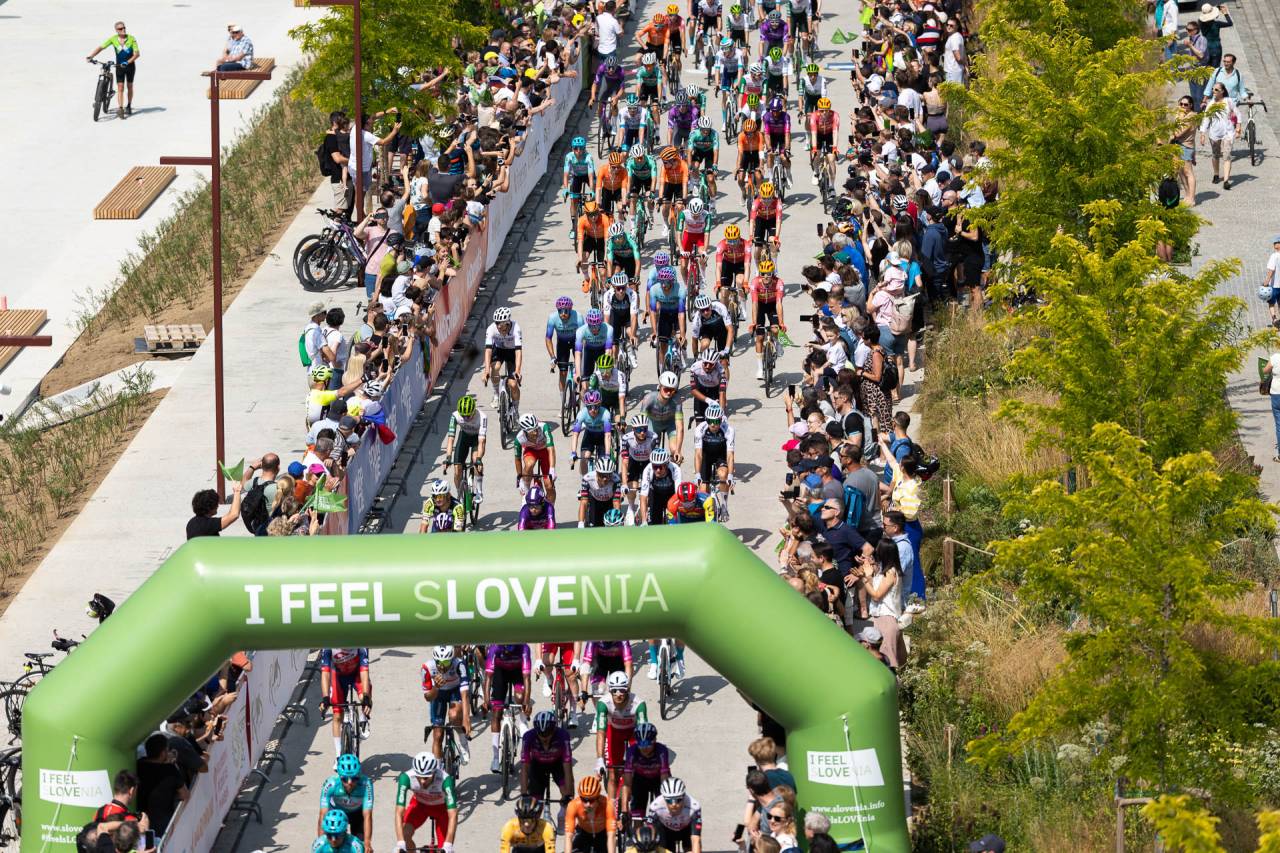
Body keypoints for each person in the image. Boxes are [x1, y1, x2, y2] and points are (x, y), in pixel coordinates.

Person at [593, 671, 648, 798]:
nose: (618, 694)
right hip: (614, 732)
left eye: (622, 690)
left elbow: (643, 733)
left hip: (633, 733)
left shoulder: (639, 704)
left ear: (627, 689)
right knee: (613, 773)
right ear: (610, 690)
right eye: (614, 691)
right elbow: (601, 732)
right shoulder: (603, 703)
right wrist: (600, 759)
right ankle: (611, 806)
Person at [394, 752, 458, 853]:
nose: (422, 781)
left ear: (434, 772)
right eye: (419, 777)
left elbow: (453, 814)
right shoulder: (406, 777)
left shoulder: (445, 780)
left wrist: (448, 844)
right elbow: (399, 811)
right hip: (419, 806)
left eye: (426, 777)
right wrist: (400, 843)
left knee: (444, 848)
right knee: (405, 836)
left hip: (441, 810)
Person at [485, 644, 533, 772]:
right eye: (506, 652)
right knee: (496, 712)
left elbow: (527, 678)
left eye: (510, 652)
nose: (508, 654)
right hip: (500, 672)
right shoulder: (495, 648)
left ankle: (523, 722)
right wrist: (486, 700)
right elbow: (488, 677)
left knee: (520, 697)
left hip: (517, 672)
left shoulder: (524, 648)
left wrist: (526, 702)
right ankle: (496, 758)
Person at [422, 646, 473, 765]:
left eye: (445, 662)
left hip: (455, 691)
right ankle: (438, 770)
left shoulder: (459, 664)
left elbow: (465, 694)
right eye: (438, 662)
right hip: (438, 694)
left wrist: (466, 719)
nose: (442, 666)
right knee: (437, 735)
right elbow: (428, 697)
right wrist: (436, 687)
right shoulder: (427, 667)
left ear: (452, 659)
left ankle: (463, 742)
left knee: (454, 716)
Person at [319, 648, 372, 757]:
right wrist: (325, 698)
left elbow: (364, 671)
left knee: (365, 696)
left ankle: (363, 718)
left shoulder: (360, 645)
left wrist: (366, 698)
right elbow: (325, 673)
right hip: (338, 677)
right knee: (337, 715)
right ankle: (338, 756)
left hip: (356, 674)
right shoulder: (328, 647)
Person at [318, 754, 374, 850]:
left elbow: (367, 815)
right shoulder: (331, 784)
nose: (349, 783)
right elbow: (323, 815)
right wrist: (321, 843)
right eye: (344, 779)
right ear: (339, 776)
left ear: (359, 776)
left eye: (354, 778)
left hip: (357, 815)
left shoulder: (366, 784)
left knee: (361, 847)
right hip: (336, 815)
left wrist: (367, 842)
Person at [136, 734, 187, 838]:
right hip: (163, 822)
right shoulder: (170, 770)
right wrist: (171, 764)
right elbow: (185, 794)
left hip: (141, 820)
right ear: (163, 752)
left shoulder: (138, 765)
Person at [520, 710, 575, 804]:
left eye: (547, 733)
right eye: (541, 734)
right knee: (534, 803)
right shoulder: (528, 737)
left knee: (567, 796)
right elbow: (524, 767)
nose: (544, 738)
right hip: (538, 765)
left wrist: (569, 796)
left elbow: (568, 769)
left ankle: (564, 811)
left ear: (554, 730)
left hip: (557, 764)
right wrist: (524, 794)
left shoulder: (563, 736)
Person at [86, 22, 139, 118]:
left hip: (130, 66)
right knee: (120, 87)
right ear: (116, 30)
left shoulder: (131, 38)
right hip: (119, 66)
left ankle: (129, 105)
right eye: (120, 29)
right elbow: (101, 47)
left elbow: (137, 54)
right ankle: (121, 108)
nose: (123, 29)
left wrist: (127, 62)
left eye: (124, 27)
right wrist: (91, 56)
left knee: (129, 86)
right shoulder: (113, 39)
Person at [621, 722, 672, 818]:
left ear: (654, 740)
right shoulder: (631, 751)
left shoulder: (662, 751)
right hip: (640, 780)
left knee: (663, 813)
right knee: (637, 816)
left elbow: (664, 779)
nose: (644, 749)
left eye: (647, 745)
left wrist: (665, 802)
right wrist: (624, 811)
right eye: (641, 745)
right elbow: (627, 784)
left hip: (658, 779)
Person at [1198, 81, 1241, 189]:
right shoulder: (1211, 104)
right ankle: (1216, 174)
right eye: (1213, 89)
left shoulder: (1228, 101)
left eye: (1216, 89)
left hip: (1228, 133)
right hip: (1214, 134)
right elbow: (1206, 119)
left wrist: (1238, 127)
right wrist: (1202, 134)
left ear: (1222, 91)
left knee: (1227, 156)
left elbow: (1238, 113)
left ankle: (1226, 181)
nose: (1213, 91)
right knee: (1215, 155)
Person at [646, 778, 703, 853]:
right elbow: (651, 836)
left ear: (684, 796)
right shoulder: (655, 807)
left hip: (686, 830)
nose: (674, 804)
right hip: (666, 831)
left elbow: (696, 839)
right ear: (663, 798)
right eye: (669, 800)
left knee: (692, 849)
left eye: (678, 800)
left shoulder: (694, 806)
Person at [565, 775, 617, 853]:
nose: (587, 804)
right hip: (583, 833)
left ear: (598, 797)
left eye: (591, 800)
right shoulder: (573, 805)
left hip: (602, 835)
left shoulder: (608, 805)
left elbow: (611, 836)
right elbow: (568, 837)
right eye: (584, 800)